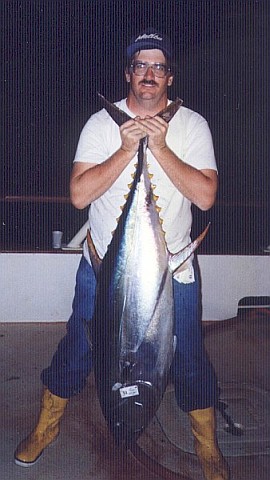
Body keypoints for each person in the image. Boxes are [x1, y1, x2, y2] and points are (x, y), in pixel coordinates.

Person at [14, 29, 230, 480]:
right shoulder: (101, 123)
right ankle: (45, 427)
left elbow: (206, 197)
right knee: (78, 346)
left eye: (157, 67)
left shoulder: (192, 125)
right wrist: (128, 147)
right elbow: (78, 195)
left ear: (170, 77)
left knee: (188, 356)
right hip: (103, 267)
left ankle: (207, 445)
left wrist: (162, 147)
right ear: (128, 74)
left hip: (172, 269)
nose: (148, 74)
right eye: (140, 66)